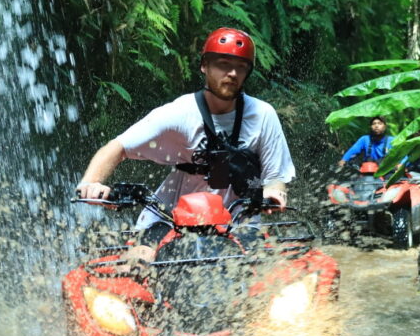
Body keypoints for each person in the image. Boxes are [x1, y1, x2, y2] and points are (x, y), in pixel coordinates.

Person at [76, 27, 295, 256]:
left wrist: (273, 194)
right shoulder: (179, 112)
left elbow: (276, 176)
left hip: (239, 219)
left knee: (259, 268)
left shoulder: (263, 114)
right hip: (169, 217)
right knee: (140, 261)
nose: (232, 73)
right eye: (223, 64)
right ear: (204, 66)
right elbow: (117, 147)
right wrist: (91, 183)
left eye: (240, 67)